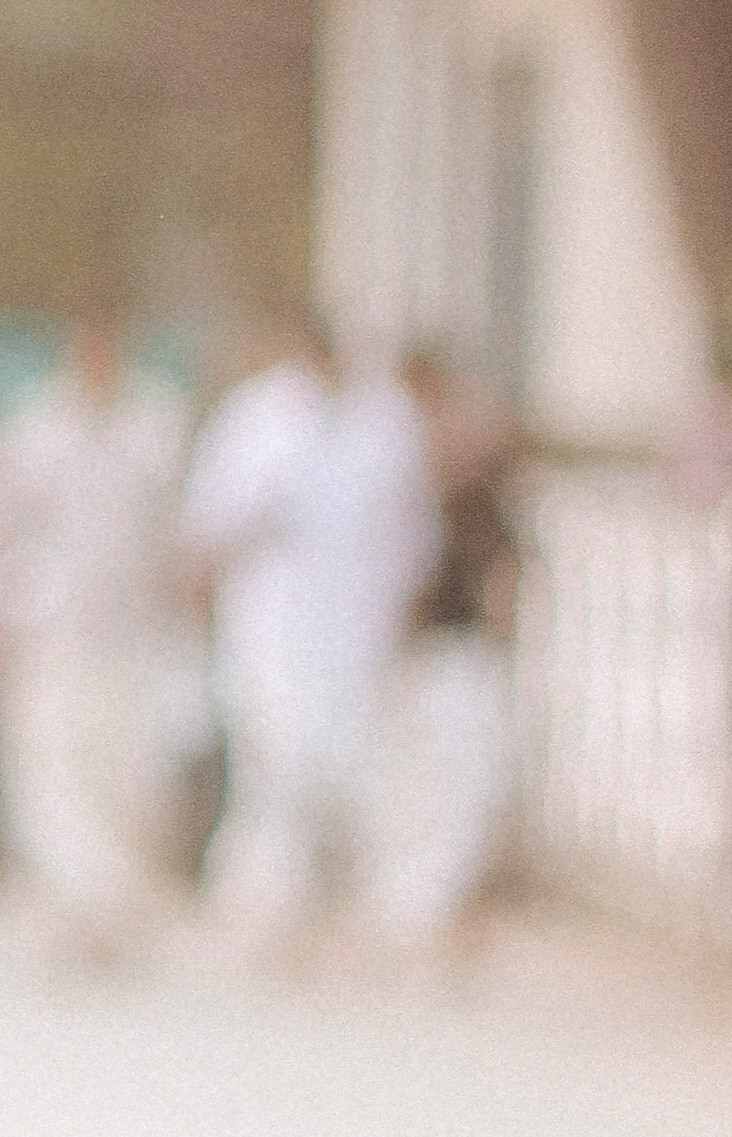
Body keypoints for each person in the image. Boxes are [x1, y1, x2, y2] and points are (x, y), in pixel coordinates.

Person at [183, 313, 438, 945]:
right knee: (278, 761)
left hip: (358, 626)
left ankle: (344, 901)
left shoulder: (387, 421)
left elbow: (413, 527)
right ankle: (266, 904)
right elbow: (209, 524)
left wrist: (407, 605)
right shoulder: (255, 418)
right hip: (272, 626)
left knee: (351, 765)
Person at [0, 317, 194, 961]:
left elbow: (175, 529)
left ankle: (119, 914)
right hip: (56, 633)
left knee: (129, 779)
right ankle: (72, 913)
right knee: (55, 781)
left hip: (136, 633)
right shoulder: (36, 430)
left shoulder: (157, 425)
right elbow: (5, 531)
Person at [361, 372, 526, 952]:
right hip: (444, 659)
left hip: (458, 658)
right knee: (441, 786)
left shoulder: (474, 506)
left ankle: (432, 904)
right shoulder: (429, 505)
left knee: (462, 787)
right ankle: (418, 905)